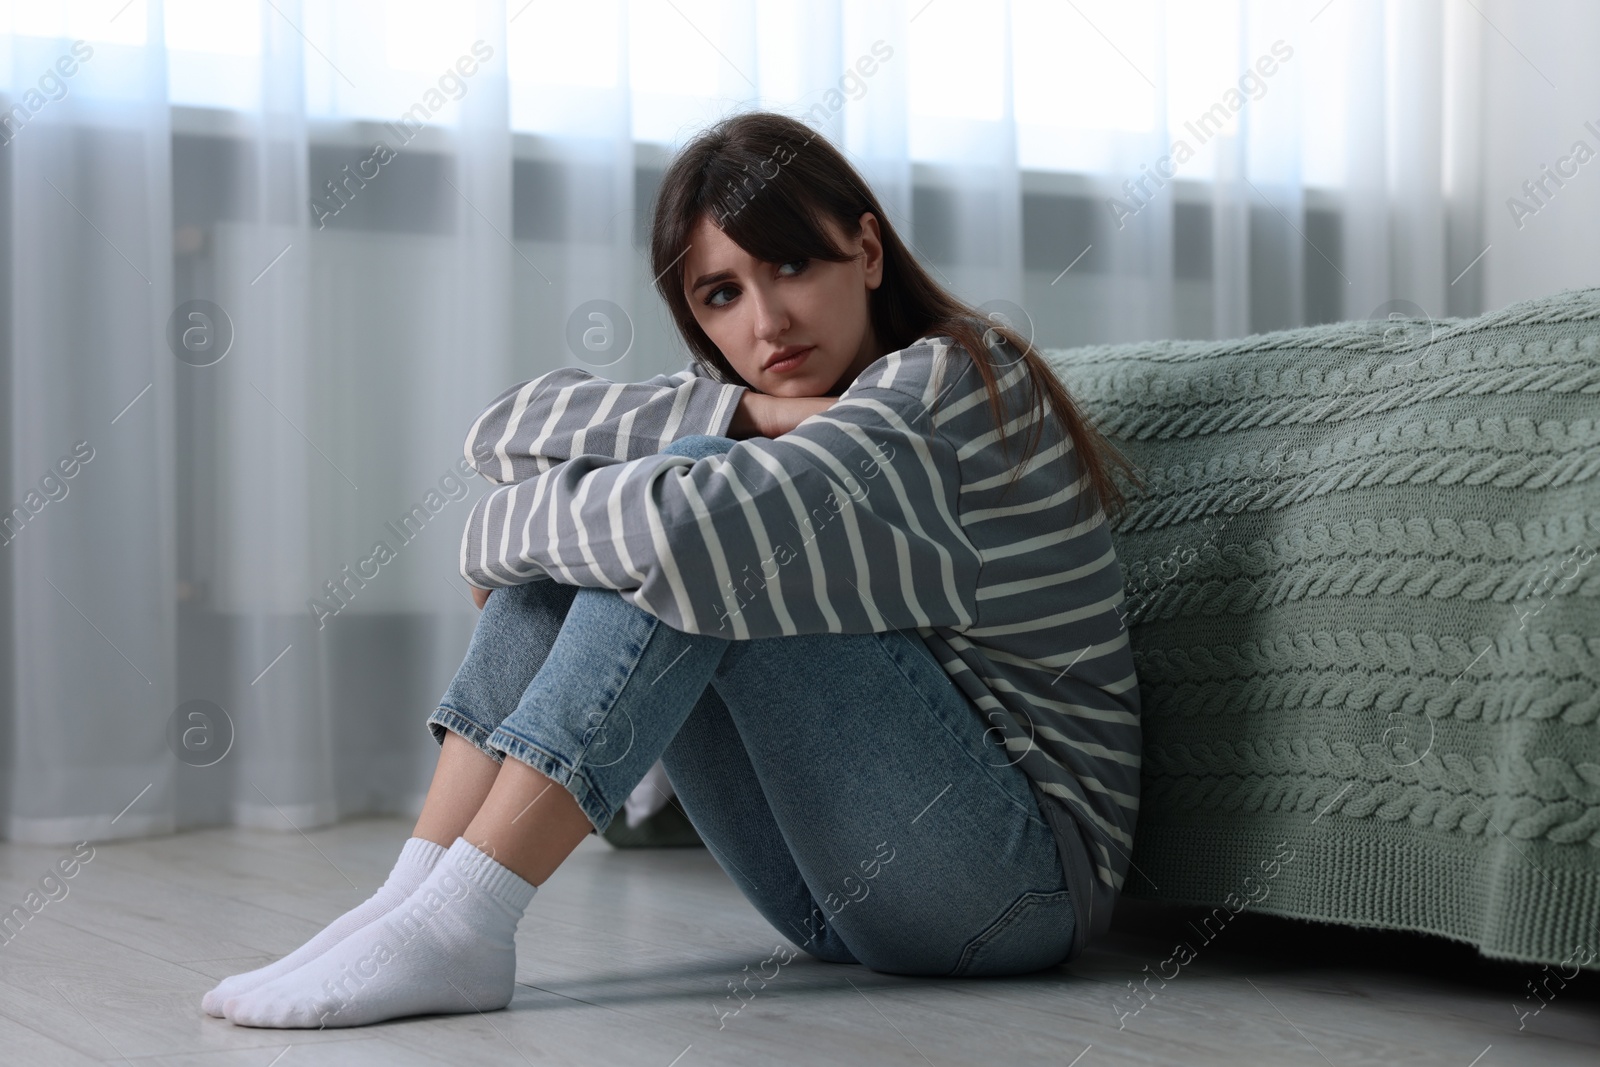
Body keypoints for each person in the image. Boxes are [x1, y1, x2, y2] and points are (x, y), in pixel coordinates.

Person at [206, 110, 1143, 1030]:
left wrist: (496, 534)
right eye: (720, 294)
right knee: (659, 490)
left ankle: (463, 919)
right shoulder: (761, 403)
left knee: (688, 513)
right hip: (831, 899)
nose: (768, 319)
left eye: (792, 264)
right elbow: (498, 429)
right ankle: (414, 897)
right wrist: (747, 416)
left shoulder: (955, 379)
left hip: (1015, 887)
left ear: (865, 250)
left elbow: (684, 538)